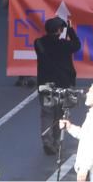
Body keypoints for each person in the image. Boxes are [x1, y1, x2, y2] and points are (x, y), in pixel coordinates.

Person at [35, 17, 81, 156]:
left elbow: (49, 43)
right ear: (59, 30)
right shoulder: (65, 45)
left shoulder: (38, 43)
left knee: (47, 113)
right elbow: (77, 45)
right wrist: (71, 29)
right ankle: (55, 141)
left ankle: (47, 141)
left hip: (45, 84)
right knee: (60, 114)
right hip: (63, 84)